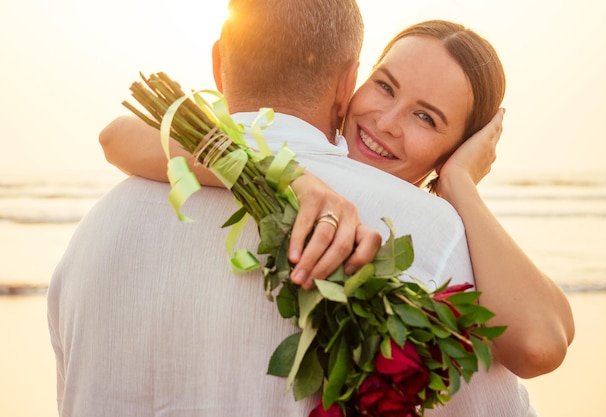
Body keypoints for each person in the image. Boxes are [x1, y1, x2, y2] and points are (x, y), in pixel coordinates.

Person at [47, 2, 526, 416]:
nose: (386, 121)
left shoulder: (98, 226)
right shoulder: (423, 236)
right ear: (349, 82)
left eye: (425, 117)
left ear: (218, 64)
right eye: (385, 87)